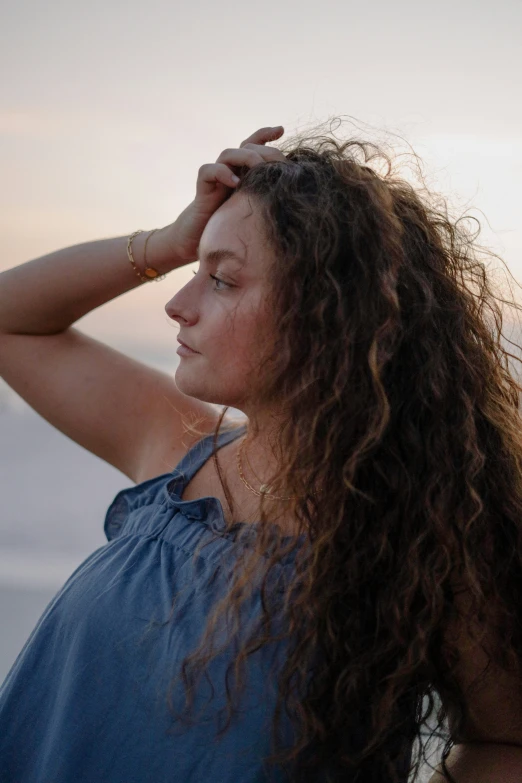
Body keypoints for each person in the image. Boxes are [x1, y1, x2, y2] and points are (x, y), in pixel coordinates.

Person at [1, 119, 522, 782]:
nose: (178, 305)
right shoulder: (176, 448)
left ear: (327, 312)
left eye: (221, 280)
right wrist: (168, 240)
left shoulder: (427, 531)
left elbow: (507, 742)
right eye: (197, 271)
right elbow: (9, 320)